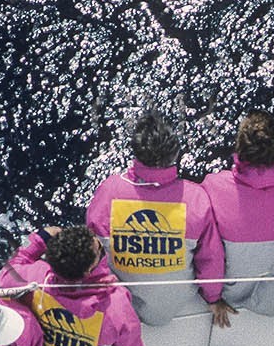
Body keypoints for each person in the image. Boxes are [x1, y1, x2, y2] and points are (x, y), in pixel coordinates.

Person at [0, 225, 174, 346]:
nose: (100, 243)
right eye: (98, 247)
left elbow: (6, 274)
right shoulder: (116, 306)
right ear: (90, 269)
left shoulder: (36, 277)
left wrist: (42, 237)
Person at [87, 108, 227, 327]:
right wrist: (213, 298)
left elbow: (92, 257)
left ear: (135, 152)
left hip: (123, 302)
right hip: (178, 302)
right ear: (174, 155)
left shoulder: (108, 192)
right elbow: (211, 259)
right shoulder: (195, 198)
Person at [201, 111, 274, 321]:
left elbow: (210, 254)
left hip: (231, 295)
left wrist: (213, 297)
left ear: (239, 150)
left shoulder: (212, 186)